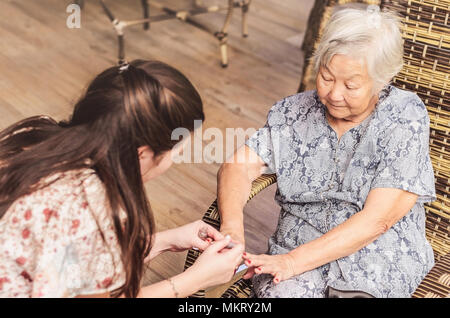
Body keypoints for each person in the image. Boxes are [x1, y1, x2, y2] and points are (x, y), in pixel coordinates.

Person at [217, 6, 436, 298]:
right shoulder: (292, 112)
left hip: (377, 255)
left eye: (351, 85)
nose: (334, 94)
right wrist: (232, 226)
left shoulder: (404, 116)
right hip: (298, 244)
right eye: (327, 77)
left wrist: (292, 262)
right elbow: (238, 167)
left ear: (381, 80)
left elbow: (378, 220)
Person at [0, 59, 244, 298]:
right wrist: (195, 280)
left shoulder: (34, 130)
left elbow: (74, 257)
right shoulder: (97, 212)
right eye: (176, 153)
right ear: (143, 154)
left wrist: (163, 241)